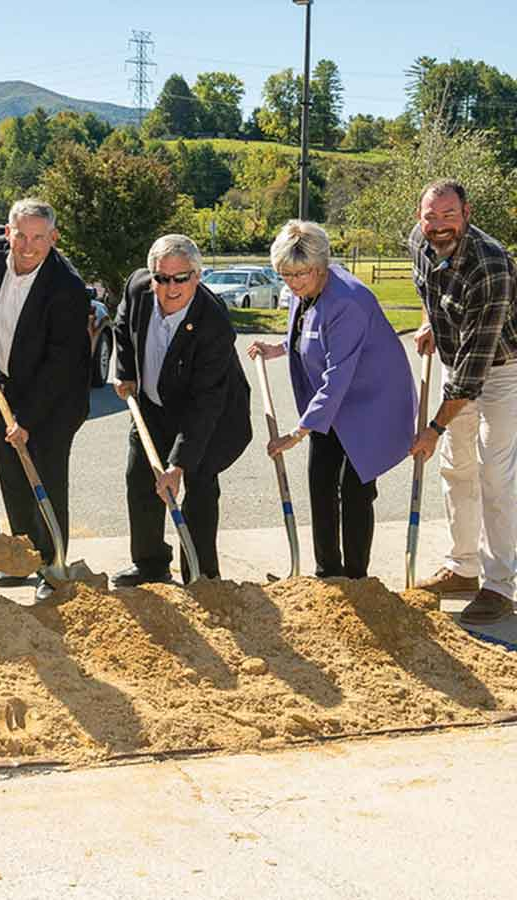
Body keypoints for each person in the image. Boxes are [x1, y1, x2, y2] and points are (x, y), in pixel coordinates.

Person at [248, 221, 416, 579]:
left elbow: (336, 376)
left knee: (354, 489)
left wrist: (297, 433)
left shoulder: (349, 302)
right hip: (334, 404)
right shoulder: (306, 289)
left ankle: (356, 578)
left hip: (372, 401)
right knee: (320, 482)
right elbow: (310, 336)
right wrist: (277, 348)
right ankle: (327, 571)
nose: (292, 283)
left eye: (300, 274)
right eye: (285, 275)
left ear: (322, 265)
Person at [0, 199, 91, 603]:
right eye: (21, 235)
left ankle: (51, 567)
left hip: (54, 399)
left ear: (53, 238)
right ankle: (22, 558)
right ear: (8, 231)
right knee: (13, 477)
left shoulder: (66, 288)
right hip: (6, 387)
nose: (28, 245)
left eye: (39, 237)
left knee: (45, 480)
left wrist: (28, 418)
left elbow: (61, 364)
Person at [112, 234, 251, 585]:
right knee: (140, 478)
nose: (169, 287)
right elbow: (122, 328)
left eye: (180, 278)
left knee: (198, 483)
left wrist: (178, 464)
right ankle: (150, 564)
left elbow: (206, 402)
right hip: (155, 406)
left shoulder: (213, 324)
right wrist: (125, 373)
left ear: (197, 276)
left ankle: (201, 576)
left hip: (212, 416)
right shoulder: (137, 288)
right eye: (161, 278)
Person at [408, 179, 517, 624]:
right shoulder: (419, 240)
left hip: (502, 369)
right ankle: (462, 567)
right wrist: (430, 321)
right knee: (456, 468)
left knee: (495, 473)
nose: (438, 226)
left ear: (466, 213)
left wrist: (433, 428)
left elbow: (474, 372)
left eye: (448, 215)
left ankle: (500, 585)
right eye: (431, 216)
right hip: (457, 363)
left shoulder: (490, 264)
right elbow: (427, 290)